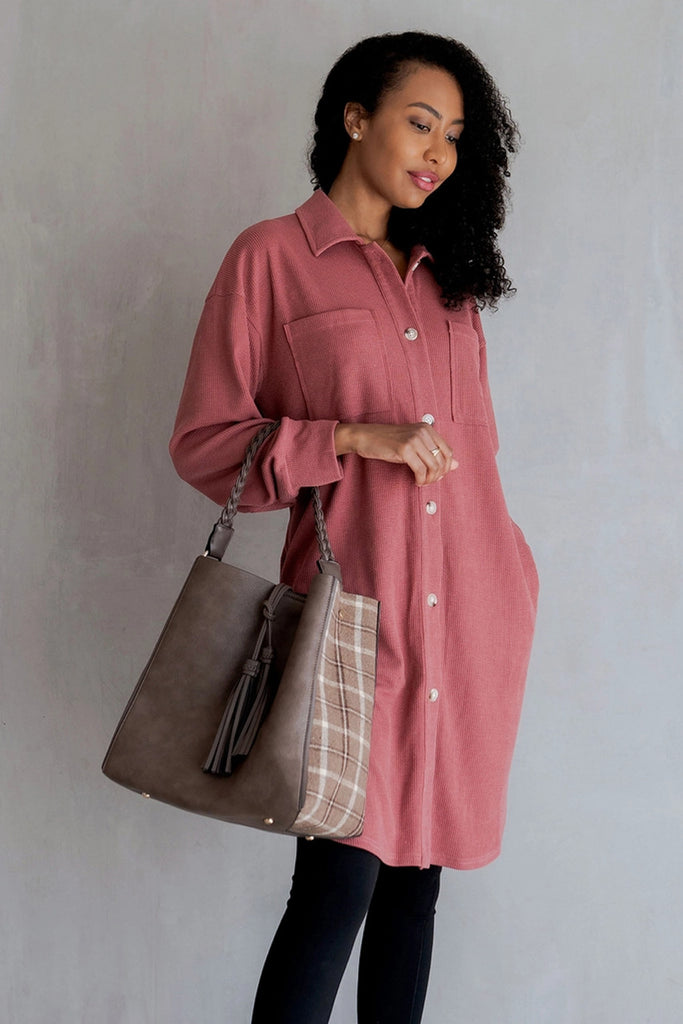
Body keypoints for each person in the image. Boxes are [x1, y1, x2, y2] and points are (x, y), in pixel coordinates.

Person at [169, 30, 539, 1024]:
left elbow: (476, 459)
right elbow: (209, 445)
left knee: (415, 886)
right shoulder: (270, 260)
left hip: (466, 624)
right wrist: (346, 437)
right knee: (339, 884)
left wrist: (511, 577)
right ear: (354, 117)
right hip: (350, 626)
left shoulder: (447, 279)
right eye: (420, 121)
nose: (437, 150)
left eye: (455, 135)